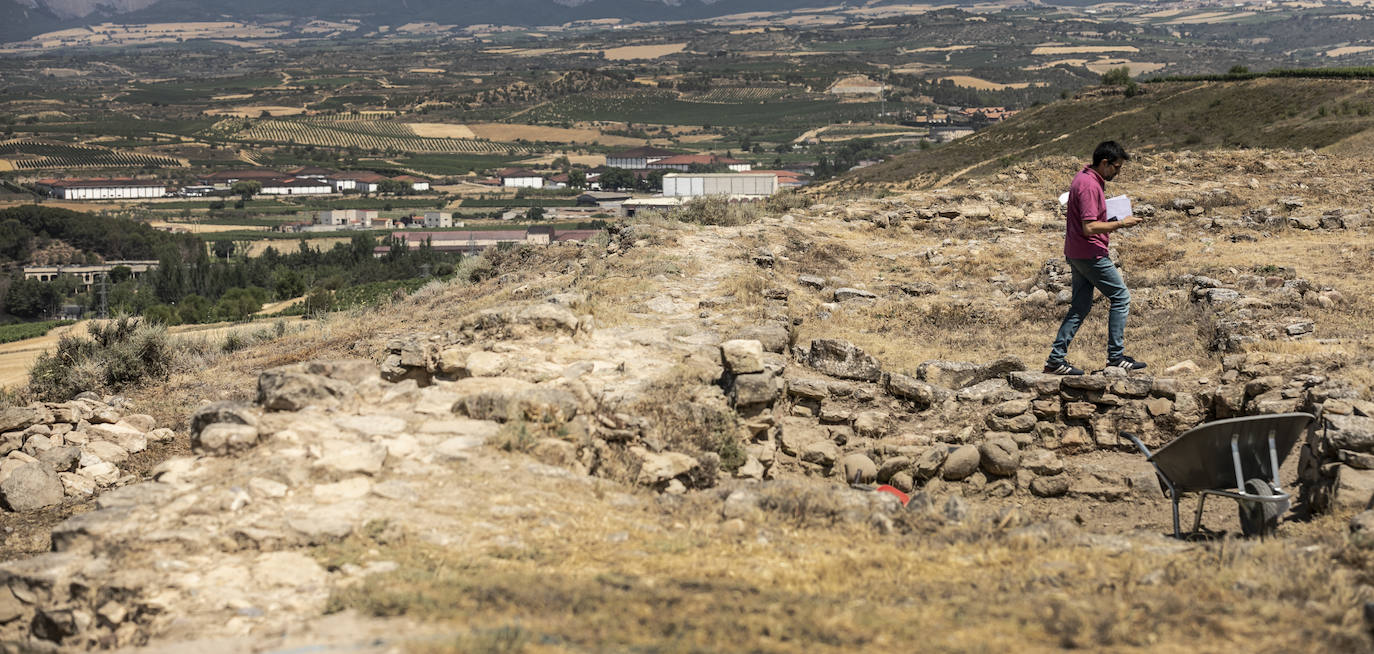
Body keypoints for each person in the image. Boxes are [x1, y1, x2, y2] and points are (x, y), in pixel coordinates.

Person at [1044, 141, 1146, 375]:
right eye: (1116, 168)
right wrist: (1120, 223)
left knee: (1080, 306)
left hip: (1076, 251)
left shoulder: (1083, 176)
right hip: (1090, 252)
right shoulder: (1090, 186)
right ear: (1104, 163)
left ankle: (1055, 360)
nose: (1118, 173)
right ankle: (1116, 357)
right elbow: (1089, 227)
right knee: (1121, 297)